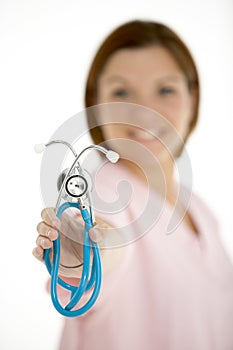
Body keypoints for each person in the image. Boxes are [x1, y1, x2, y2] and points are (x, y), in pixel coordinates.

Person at [33, 20, 233, 350]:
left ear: (192, 98)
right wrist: (86, 255)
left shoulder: (200, 209)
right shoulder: (101, 195)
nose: (144, 112)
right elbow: (108, 242)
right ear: (96, 103)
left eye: (165, 90)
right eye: (122, 92)